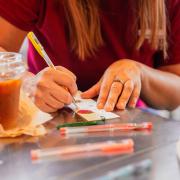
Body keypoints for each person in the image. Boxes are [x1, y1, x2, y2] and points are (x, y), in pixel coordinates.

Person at [0, 0, 179, 113]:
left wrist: (141, 73)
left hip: (134, 127)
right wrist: (27, 84)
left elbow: (176, 91)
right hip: (47, 122)